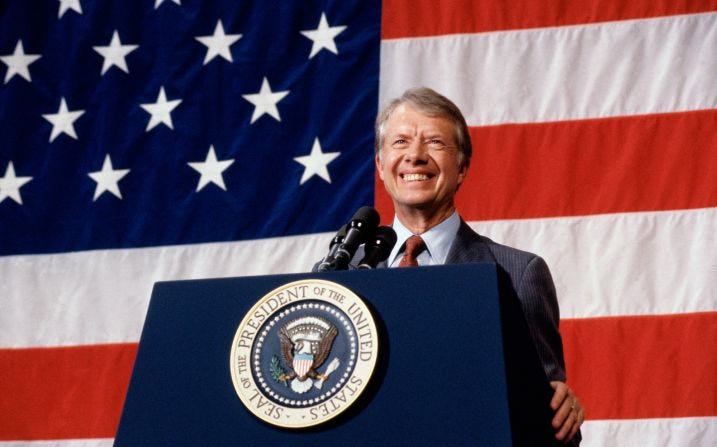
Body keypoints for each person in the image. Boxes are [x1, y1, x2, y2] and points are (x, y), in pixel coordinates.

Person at [374, 87, 584, 444]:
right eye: (400, 142)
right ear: (381, 165)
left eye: (435, 143)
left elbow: (549, 413)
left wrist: (561, 412)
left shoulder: (519, 272)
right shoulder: (342, 275)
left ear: (462, 168)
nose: (415, 156)